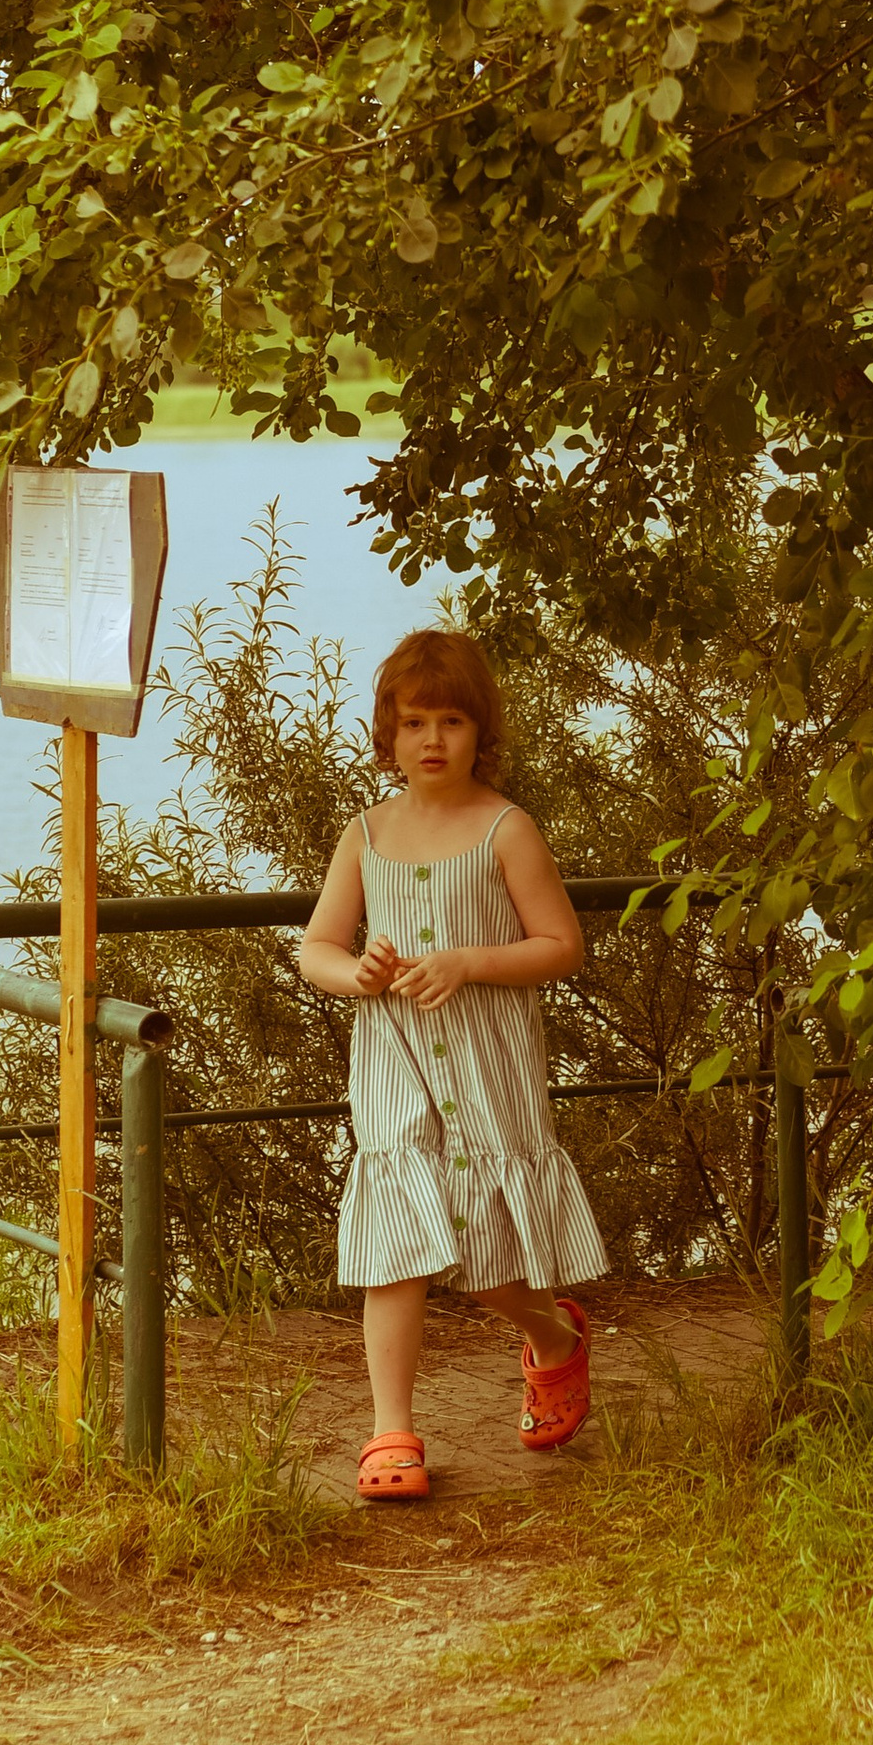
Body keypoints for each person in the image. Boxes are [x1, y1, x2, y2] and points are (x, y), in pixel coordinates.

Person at [296, 628, 608, 1501]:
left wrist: (468, 961)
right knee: (398, 1237)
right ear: (388, 734)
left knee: (487, 1258)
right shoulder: (365, 834)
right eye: (414, 722)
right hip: (394, 1062)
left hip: (487, 1067)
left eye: (452, 721)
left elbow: (562, 944)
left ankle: (554, 1338)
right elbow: (317, 948)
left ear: (481, 731)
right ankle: (391, 1431)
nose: (432, 739)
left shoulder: (506, 829)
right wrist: (356, 974)